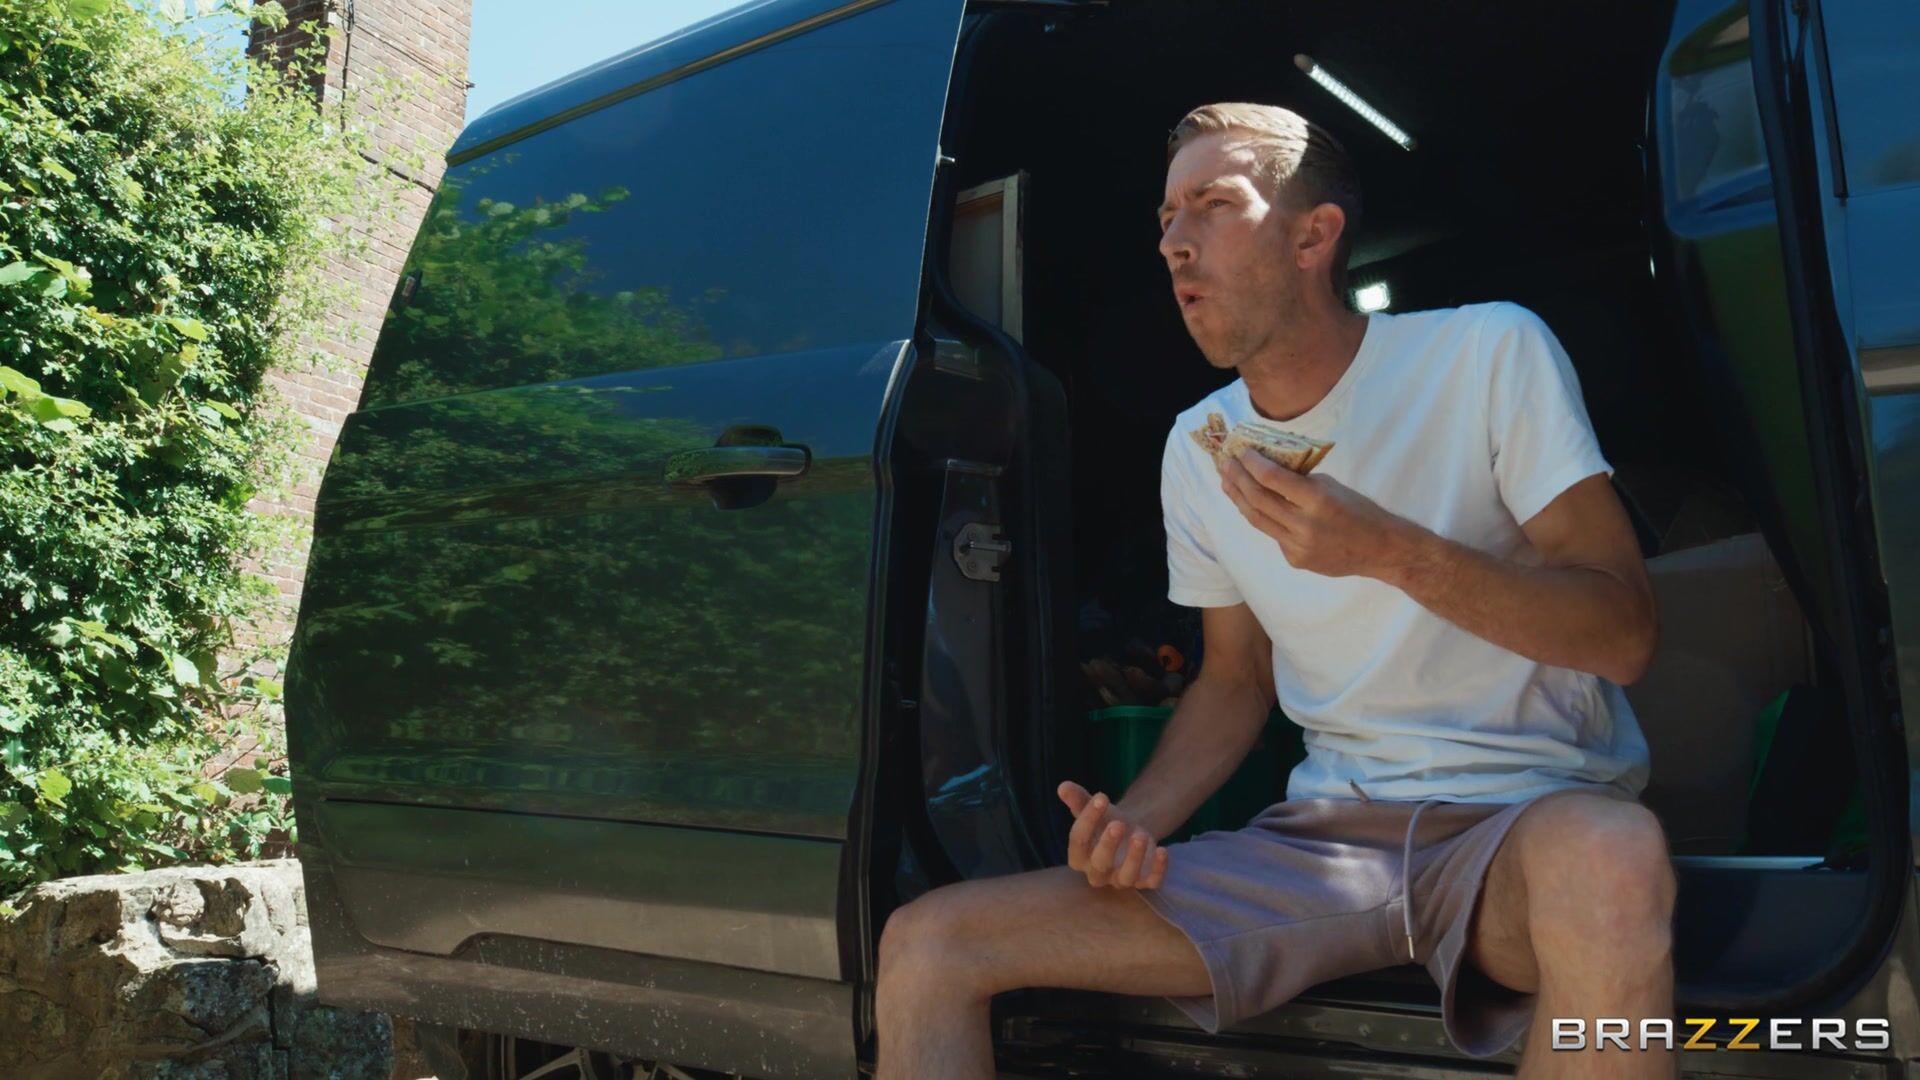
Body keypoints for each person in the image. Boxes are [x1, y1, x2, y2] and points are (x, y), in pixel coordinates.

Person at [876, 102, 1675, 1080]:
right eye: (1166, 217)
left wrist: (1393, 552)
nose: (1174, 241)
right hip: (1323, 851)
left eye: (1212, 203)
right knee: (929, 941)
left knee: (1612, 854)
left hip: (1517, 830)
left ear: (1313, 236)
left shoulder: (1487, 352)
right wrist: (1136, 821)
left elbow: (1624, 633)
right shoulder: (1195, 447)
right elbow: (1234, 681)